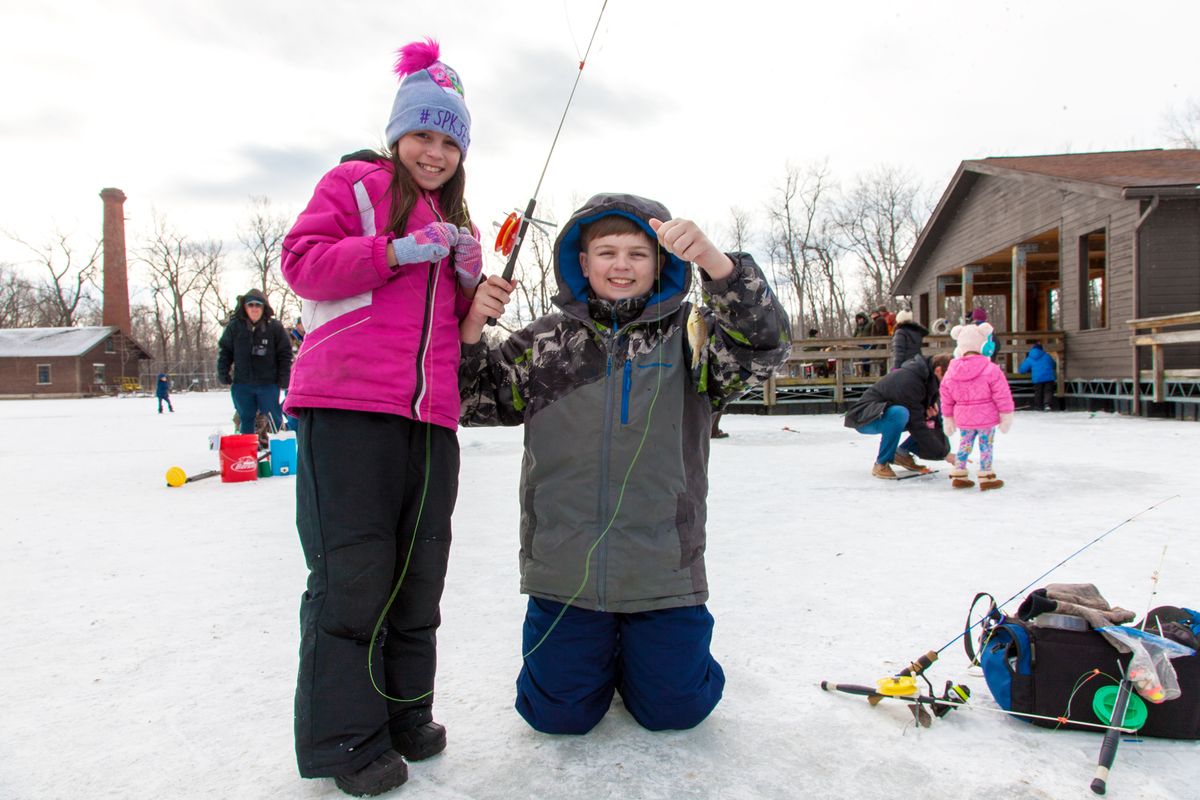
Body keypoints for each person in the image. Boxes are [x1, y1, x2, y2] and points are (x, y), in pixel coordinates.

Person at [459, 193, 790, 736]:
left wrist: (718, 264)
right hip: (564, 570)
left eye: (638, 253)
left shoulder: (692, 336)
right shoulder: (545, 341)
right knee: (555, 717)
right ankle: (601, 662)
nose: (621, 265)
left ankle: (646, 664)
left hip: (663, 567)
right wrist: (472, 322)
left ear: (661, 262)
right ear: (581, 262)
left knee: (676, 712)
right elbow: (468, 399)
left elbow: (767, 346)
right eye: (606, 251)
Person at [280, 39, 482, 797]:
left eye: (449, 140)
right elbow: (301, 260)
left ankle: (403, 713)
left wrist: (470, 284)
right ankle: (343, 741)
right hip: (347, 408)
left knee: (418, 576)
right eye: (424, 135)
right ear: (399, 133)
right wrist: (396, 248)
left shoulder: (454, 217)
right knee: (354, 577)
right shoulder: (355, 181)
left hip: (430, 418)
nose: (435, 152)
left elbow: (451, 321)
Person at [843, 352, 953, 479]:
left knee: (930, 416)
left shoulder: (929, 378)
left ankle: (902, 454)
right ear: (938, 370)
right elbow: (915, 423)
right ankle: (881, 463)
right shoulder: (910, 379)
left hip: (890, 413)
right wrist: (944, 454)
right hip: (865, 417)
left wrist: (926, 412)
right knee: (900, 413)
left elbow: (917, 413)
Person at [940, 322, 1015, 491]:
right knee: (986, 446)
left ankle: (959, 473)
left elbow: (946, 396)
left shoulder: (951, 371)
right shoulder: (991, 369)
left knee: (964, 444)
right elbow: (1002, 394)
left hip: (963, 417)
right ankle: (986, 476)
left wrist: (948, 417)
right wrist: (1006, 414)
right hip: (986, 417)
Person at [216, 288, 292, 435]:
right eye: (251, 305)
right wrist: (223, 372)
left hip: (268, 384)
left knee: (274, 418)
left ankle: (279, 453)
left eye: (258, 305)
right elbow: (225, 351)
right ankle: (246, 454)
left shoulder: (274, 327)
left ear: (264, 307)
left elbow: (284, 353)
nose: (254, 308)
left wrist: (284, 377)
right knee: (245, 418)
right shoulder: (235, 327)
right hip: (242, 383)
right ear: (245, 307)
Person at [1018, 342, 1057, 411]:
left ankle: (1038, 406)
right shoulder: (1046, 355)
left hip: (1037, 379)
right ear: (1041, 349)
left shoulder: (1030, 358)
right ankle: (1047, 405)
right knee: (1048, 391)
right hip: (1049, 377)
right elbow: (1054, 365)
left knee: (1038, 392)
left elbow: (1022, 370)